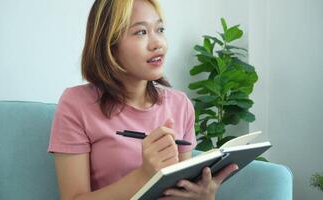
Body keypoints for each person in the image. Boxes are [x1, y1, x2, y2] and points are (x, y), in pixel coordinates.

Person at [48, 0, 238, 199]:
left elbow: (179, 190)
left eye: (160, 29)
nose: (158, 43)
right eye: (141, 32)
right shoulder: (76, 104)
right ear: (109, 45)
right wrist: (144, 175)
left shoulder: (180, 105)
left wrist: (201, 196)